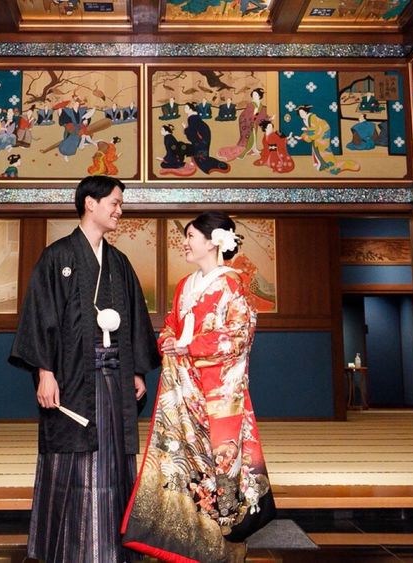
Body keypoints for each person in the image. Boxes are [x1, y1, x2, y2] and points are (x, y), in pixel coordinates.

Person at [9, 175, 160, 563]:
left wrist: (137, 371)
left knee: (114, 457)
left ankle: (114, 546)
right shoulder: (57, 256)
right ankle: (70, 546)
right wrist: (45, 372)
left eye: (120, 203)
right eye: (114, 202)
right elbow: (41, 314)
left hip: (114, 379)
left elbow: (135, 318)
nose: (120, 210)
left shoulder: (119, 263)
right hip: (72, 378)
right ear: (90, 203)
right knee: (73, 457)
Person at [122, 211, 276, 563]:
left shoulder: (233, 284)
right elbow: (171, 325)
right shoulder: (184, 285)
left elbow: (238, 335)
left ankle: (222, 545)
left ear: (213, 241)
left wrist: (189, 346)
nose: (185, 243)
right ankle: (184, 538)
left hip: (218, 394)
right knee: (184, 464)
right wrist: (169, 341)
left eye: (191, 236)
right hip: (185, 392)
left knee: (220, 469)